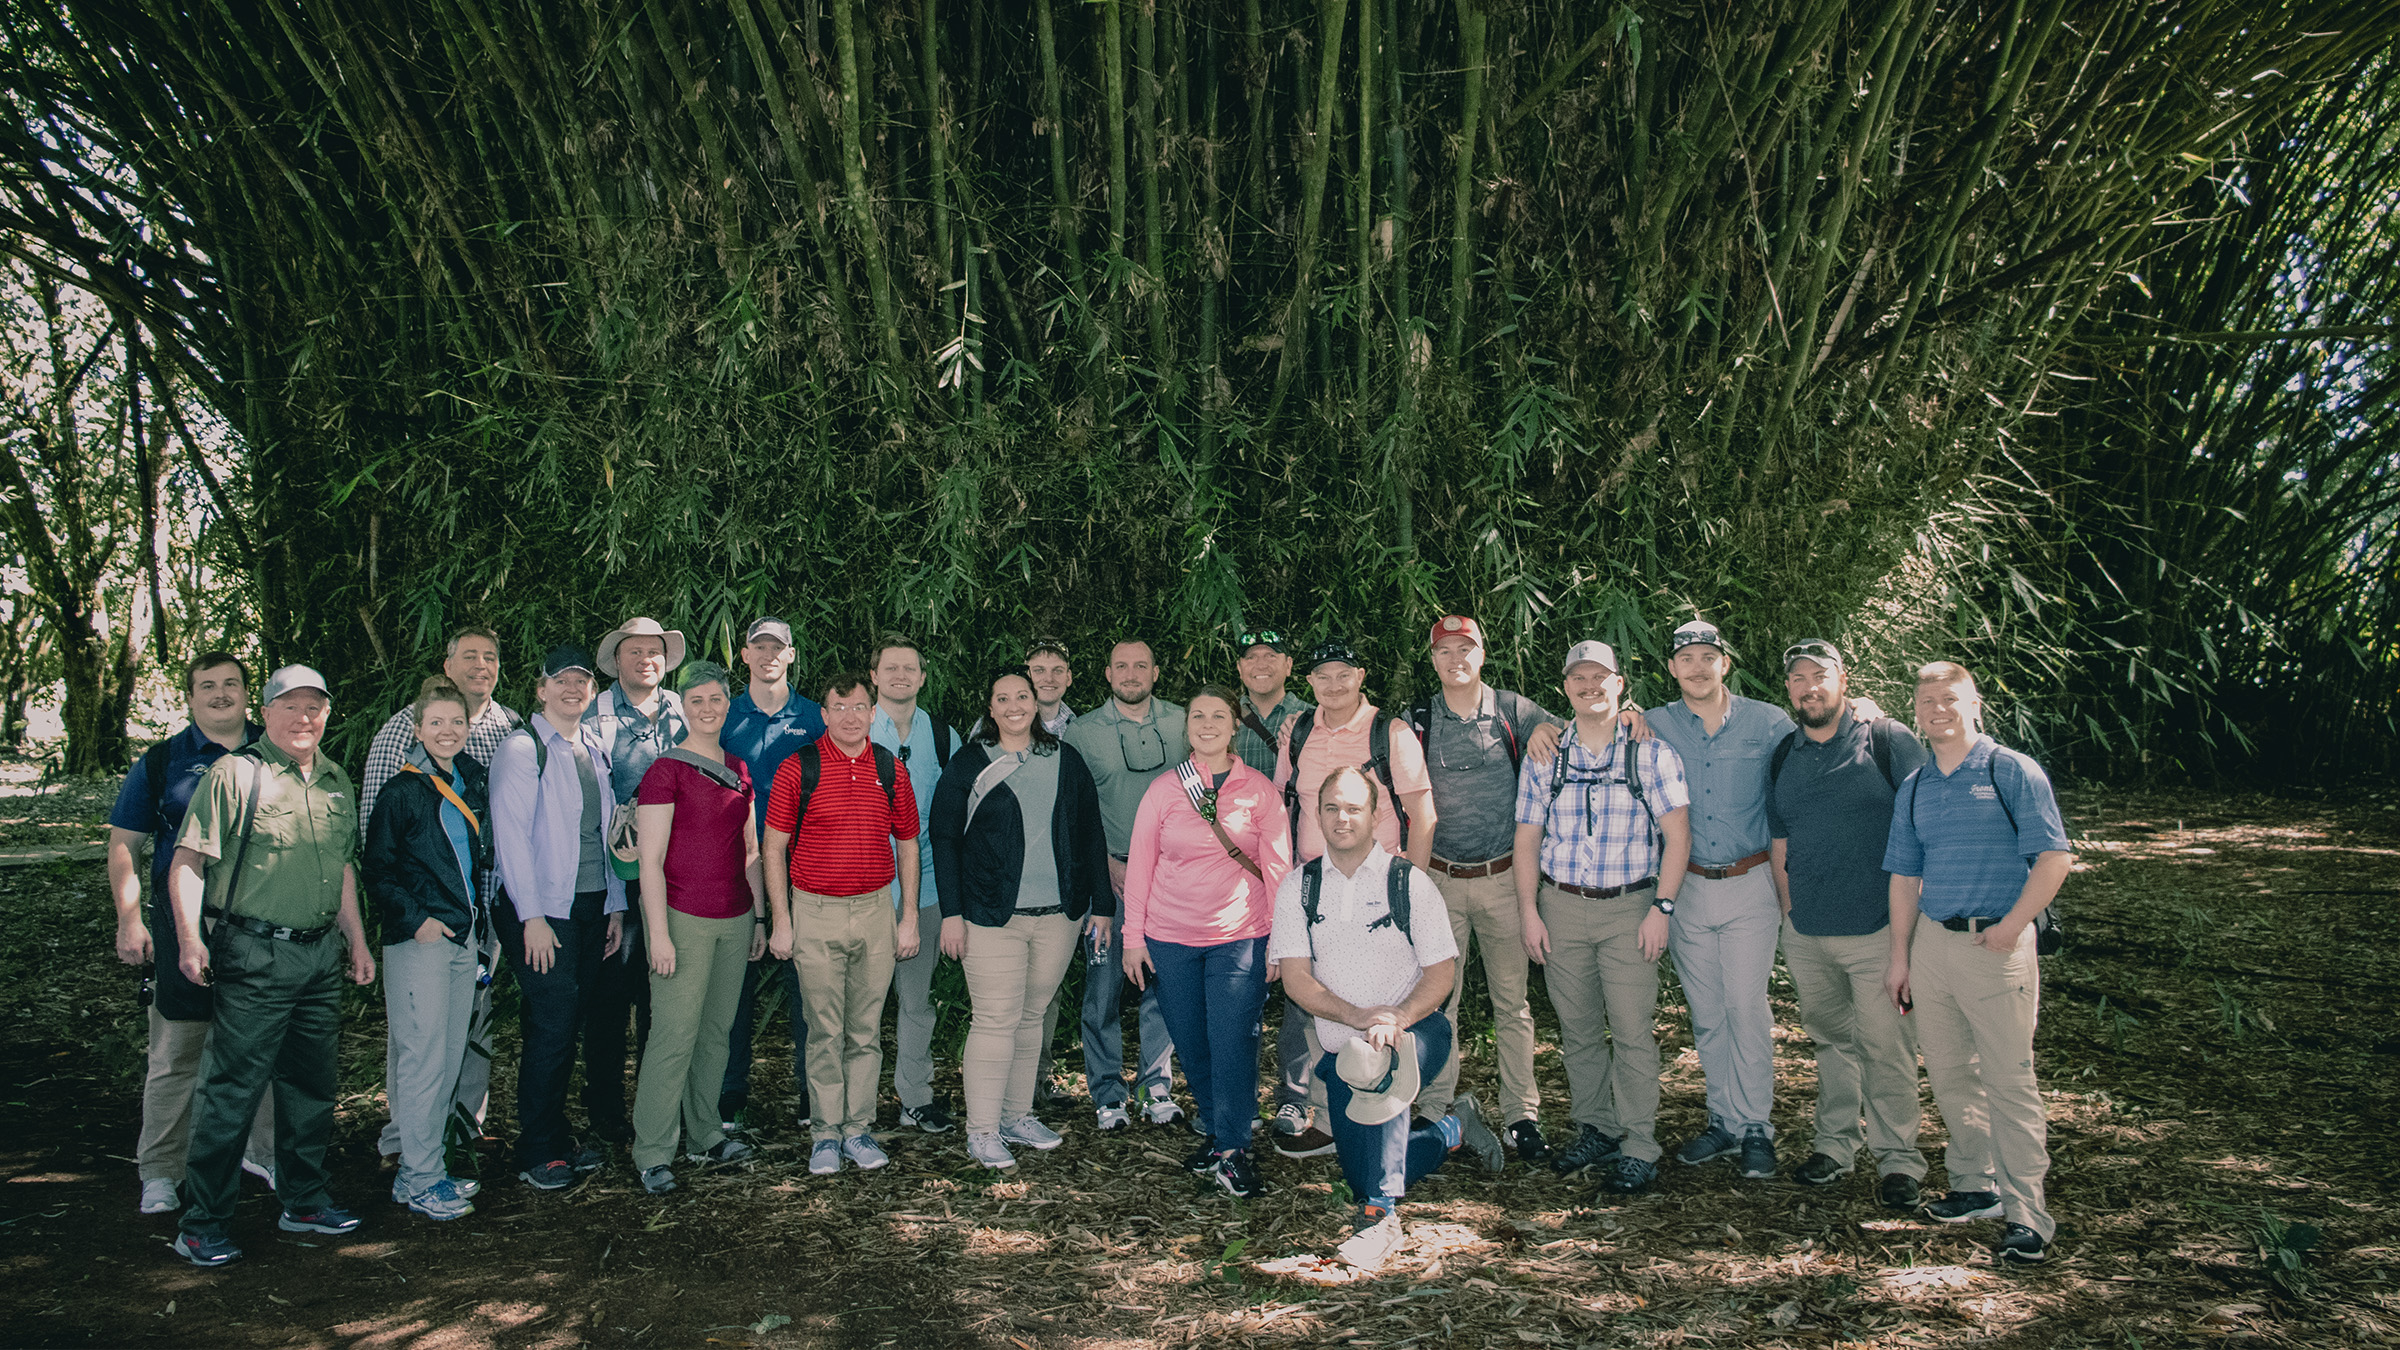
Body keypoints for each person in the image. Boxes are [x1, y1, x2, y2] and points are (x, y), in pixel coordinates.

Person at [164, 665, 375, 1267]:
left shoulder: (335, 780)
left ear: (327, 714)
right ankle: (202, 1221)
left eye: (315, 707)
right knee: (232, 1090)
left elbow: (341, 870)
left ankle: (304, 1200)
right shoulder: (237, 774)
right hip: (254, 955)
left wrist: (355, 941)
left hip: (318, 956)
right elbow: (187, 862)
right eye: (291, 706)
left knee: (312, 1085)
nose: (304, 717)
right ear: (267, 712)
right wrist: (189, 940)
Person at [1271, 767, 1505, 1268]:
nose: (1342, 818)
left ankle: (1379, 1220)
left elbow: (1442, 974)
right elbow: (1296, 980)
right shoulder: (1299, 888)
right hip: (1346, 1050)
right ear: (1317, 814)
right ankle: (1452, 1129)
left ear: (1378, 815)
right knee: (1362, 1166)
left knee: (1376, 1073)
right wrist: (1358, 1017)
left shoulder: (1410, 883)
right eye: (1332, 807)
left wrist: (1396, 1017)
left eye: (1354, 807)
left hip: (1418, 1031)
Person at [1883, 661, 2072, 1266]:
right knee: (1948, 1072)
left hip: (1996, 946)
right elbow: (1905, 875)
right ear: (1915, 710)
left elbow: (2053, 858)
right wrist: (1901, 957)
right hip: (1934, 945)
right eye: (1927, 700)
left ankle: (2028, 1215)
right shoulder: (1915, 785)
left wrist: (2012, 928)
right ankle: (1973, 1185)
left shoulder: (2008, 770)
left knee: (2009, 1082)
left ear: (1974, 704)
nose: (1938, 708)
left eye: (1949, 698)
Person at [1513, 640, 1691, 1195]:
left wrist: (1662, 908)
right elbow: (1526, 837)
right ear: (1566, 687)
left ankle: (1640, 1143)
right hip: (1562, 906)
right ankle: (1598, 1127)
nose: (1590, 687)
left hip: (1631, 909)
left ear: (1619, 683)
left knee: (1634, 1032)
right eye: (1578, 679)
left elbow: (1678, 837)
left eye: (1600, 677)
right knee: (1580, 1031)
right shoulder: (1547, 755)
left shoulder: (1650, 754)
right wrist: (1529, 911)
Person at [108, 652, 274, 1216]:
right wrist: (130, 919)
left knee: (264, 1048)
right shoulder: (162, 762)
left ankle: (264, 1154)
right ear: (190, 696)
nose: (221, 694)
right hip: (185, 927)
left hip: (266, 929)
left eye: (232, 684)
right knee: (177, 1053)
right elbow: (124, 844)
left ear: (249, 693)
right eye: (209, 686)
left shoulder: (277, 750)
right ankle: (160, 1170)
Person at [1768, 640, 1929, 1208]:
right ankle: (1835, 1145)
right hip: (1809, 932)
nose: (1809, 686)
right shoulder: (1784, 752)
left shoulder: (1886, 740)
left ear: (1843, 680)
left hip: (1879, 928)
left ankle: (1899, 1159)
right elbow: (1779, 838)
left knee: (1885, 1046)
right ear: (1787, 688)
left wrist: (1909, 935)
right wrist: (1791, 914)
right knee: (1832, 1042)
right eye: (1798, 678)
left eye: (1820, 675)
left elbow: (1924, 823)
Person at [929, 668, 1111, 1170]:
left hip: (1058, 916)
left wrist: (1104, 906)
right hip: (989, 916)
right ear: (990, 707)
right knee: (995, 1019)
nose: (1014, 706)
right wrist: (951, 914)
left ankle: (1016, 1116)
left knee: (1032, 1017)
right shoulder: (969, 763)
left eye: (1023, 697)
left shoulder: (1065, 760)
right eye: (1002, 698)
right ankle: (982, 1131)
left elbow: (1090, 833)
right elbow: (943, 839)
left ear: (1036, 703)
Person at [1632, 620, 1794, 1181]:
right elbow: (1598, 732)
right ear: (1672, 669)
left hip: (1751, 882)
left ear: (1725, 663)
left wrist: (1865, 710)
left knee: (1745, 1007)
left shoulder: (1768, 722)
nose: (1697, 668)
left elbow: (1814, 756)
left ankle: (1756, 1127)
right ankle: (1723, 1121)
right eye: (1686, 659)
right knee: (1707, 1013)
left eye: (1708, 657)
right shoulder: (1652, 723)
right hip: (1685, 886)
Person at [358, 625, 521, 1173]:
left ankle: (461, 1130)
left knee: (469, 1027)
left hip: (484, 912)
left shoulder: (509, 728)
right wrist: (414, 916)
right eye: (469, 656)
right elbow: (375, 840)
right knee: (421, 1035)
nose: (481, 664)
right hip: (425, 920)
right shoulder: (399, 733)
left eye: (490, 656)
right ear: (446, 666)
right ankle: (406, 1144)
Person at [1403, 615, 1564, 1167]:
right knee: (1437, 1002)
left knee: (1512, 1005)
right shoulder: (1415, 720)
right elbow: (1369, 753)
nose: (1455, 659)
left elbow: (1589, 733)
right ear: (1432, 660)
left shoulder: (1516, 711)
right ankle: (1435, 1110)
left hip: (1503, 880)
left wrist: (1628, 718)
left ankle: (1522, 1116)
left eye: (1465, 648)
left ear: (1483, 653)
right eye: (1444, 651)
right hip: (1440, 882)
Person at [1122, 684, 1294, 1196]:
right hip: (1170, 936)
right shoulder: (1164, 790)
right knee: (1192, 1041)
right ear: (1187, 725)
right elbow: (1141, 866)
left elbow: (1279, 869)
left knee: (1233, 1039)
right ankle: (1221, 1132)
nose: (1208, 723)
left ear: (1234, 725)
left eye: (1219, 715)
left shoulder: (1258, 790)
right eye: (1198, 715)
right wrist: (1134, 938)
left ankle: (1234, 1148)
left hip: (1241, 935)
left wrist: (1283, 944)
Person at [764, 673, 922, 1177]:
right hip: (815, 910)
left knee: (866, 1029)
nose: (850, 717)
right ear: (824, 714)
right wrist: (781, 921)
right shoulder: (799, 767)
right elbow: (772, 847)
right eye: (840, 707)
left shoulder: (889, 767)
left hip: (875, 908)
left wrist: (909, 915)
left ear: (872, 712)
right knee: (823, 1029)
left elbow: (909, 843)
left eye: (859, 707)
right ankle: (825, 1133)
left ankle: (858, 1129)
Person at [491, 645, 628, 1191]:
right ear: (541, 689)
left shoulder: (592, 746)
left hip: (593, 905)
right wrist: (532, 918)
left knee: (573, 1022)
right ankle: (537, 1148)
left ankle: (558, 1134)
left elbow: (608, 831)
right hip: (546, 910)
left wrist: (615, 905)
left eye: (582, 682)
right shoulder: (524, 749)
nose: (573, 689)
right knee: (551, 1025)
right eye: (561, 681)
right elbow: (511, 841)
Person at [629, 663, 765, 1195]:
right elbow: (650, 860)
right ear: (682, 706)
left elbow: (751, 850)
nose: (708, 708)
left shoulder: (738, 766)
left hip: (734, 917)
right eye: (697, 700)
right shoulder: (666, 770)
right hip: (683, 916)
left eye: (716, 699)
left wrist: (757, 916)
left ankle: (705, 1134)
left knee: (716, 1033)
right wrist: (658, 934)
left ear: (727, 704)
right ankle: (654, 1151)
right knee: (672, 1036)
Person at [364, 676, 491, 1221]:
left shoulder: (471, 781)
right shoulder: (403, 791)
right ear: (416, 729)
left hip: (464, 939)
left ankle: (424, 1169)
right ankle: (420, 1178)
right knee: (422, 1060)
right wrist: (418, 922)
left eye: (456, 722)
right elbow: (377, 870)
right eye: (435, 722)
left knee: (446, 1057)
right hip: (423, 942)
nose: (447, 731)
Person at [1058, 639, 1188, 1130]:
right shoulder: (1083, 732)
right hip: (1109, 881)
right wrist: (1103, 866)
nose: (1131, 674)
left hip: (1173, 881)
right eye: (1121, 666)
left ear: (1156, 672)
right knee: (1103, 986)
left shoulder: (1182, 722)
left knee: (1166, 985)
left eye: (1141, 665)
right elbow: (1073, 814)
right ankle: (1107, 1092)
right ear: (1107, 675)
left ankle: (1156, 1086)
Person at [717, 616, 826, 1135]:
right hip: (733, 867)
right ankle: (730, 1095)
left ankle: (812, 1095)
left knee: (807, 989)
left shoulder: (815, 717)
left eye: (776, 648)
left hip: (802, 867)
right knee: (732, 990)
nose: (767, 656)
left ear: (791, 655)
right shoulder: (722, 715)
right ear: (744, 656)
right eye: (757, 647)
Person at [584, 616, 689, 1145]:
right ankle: (604, 1112)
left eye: (655, 651)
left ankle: (657, 1109)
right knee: (608, 1001)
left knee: (662, 1002)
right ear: (617, 660)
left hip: (675, 880)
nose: (646, 659)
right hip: (615, 882)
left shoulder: (683, 711)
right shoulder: (591, 712)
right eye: (635, 651)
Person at [1226, 630, 1329, 1160]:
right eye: (1250, 657)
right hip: (1235, 874)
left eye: (1271, 655)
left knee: (1298, 977)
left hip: (1300, 866)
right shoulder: (1221, 716)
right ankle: (1235, 1095)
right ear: (1240, 668)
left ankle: (1294, 1094)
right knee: (1241, 983)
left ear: (1289, 665)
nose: (1260, 664)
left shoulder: (1313, 718)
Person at [870, 634, 965, 1136]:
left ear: (923, 678)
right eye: (891, 668)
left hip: (923, 890)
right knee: (857, 1008)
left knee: (917, 1001)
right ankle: (852, 1106)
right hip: (862, 889)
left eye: (910, 668)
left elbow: (953, 819)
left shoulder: (944, 736)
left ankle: (915, 1097)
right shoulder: (854, 729)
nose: (901, 676)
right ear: (874, 676)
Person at [1026, 637, 1078, 735]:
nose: (1049, 679)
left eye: (1058, 670)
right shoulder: (1007, 725)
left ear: (1068, 678)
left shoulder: (1086, 726)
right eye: (1039, 670)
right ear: (1026, 676)